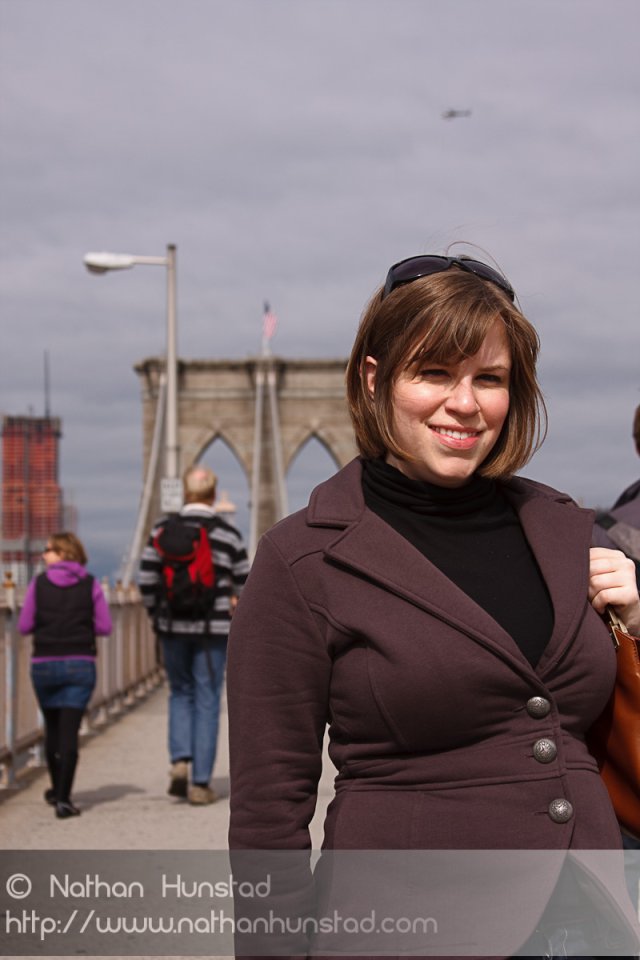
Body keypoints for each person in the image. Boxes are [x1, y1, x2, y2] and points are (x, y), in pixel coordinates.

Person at [227, 253, 640, 958]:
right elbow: (269, 813)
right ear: (375, 378)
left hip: (592, 921)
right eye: (434, 373)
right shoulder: (304, 562)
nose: (465, 403)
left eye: (490, 379)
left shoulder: (569, 531)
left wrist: (635, 633)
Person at [139, 464, 249, 806]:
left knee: (179, 692)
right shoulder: (228, 535)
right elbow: (246, 583)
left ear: (185, 494)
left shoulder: (161, 530)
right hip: (212, 632)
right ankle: (201, 783)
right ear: (214, 496)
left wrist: (158, 616)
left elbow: (146, 580)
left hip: (172, 628)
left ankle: (179, 760)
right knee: (207, 699)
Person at [18, 531, 112, 819]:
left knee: (53, 730)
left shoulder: (39, 584)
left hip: (44, 662)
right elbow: (105, 626)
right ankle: (64, 799)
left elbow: (23, 625)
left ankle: (55, 788)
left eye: (48, 550)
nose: (44, 555)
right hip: (80, 663)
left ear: (63, 553)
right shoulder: (90, 584)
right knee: (70, 732)